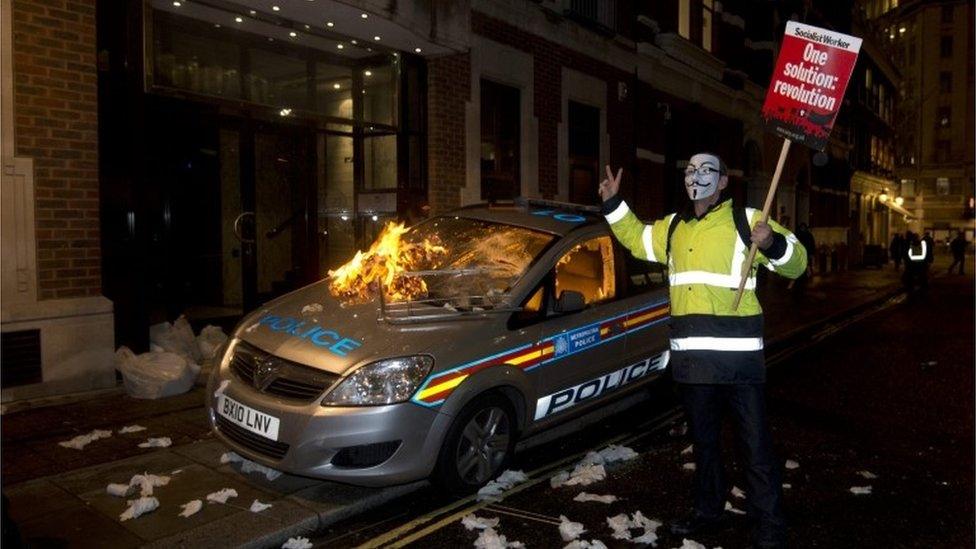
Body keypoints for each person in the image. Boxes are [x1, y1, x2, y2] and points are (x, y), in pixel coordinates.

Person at [599, 154, 807, 549]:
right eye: (691, 170)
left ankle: (770, 527)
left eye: (707, 170)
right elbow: (636, 238)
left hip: (739, 363)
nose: (697, 177)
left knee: (755, 449)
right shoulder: (674, 227)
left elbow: (797, 264)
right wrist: (614, 203)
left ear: (724, 182)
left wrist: (772, 242)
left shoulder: (747, 220)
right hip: (693, 365)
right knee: (705, 446)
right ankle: (708, 511)